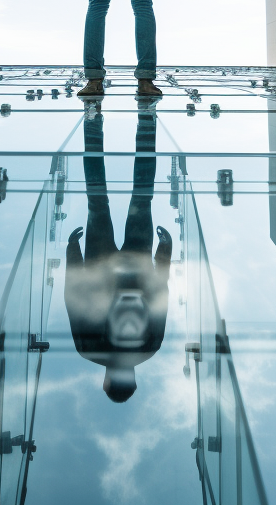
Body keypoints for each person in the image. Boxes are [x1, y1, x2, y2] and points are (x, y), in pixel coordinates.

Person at [64, 108, 171, 403]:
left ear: (132, 382)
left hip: (131, 265)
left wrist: (164, 257)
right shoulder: (89, 350)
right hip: (102, 263)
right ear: (105, 382)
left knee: (141, 195)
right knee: (98, 198)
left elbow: (161, 296)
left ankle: (143, 120)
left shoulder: (148, 349)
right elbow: (73, 298)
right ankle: (95, 122)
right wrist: (72, 253)